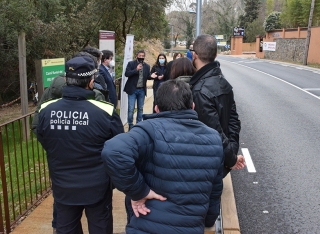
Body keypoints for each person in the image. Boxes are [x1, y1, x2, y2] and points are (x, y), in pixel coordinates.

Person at [102, 79, 224, 234]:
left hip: (145, 224)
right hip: (190, 226)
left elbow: (114, 151)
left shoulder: (148, 130)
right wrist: (208, 220)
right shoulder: (214, 138)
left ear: (156, 109)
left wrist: (140, 191)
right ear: (192, 107)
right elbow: (215, 190)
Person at [36, 55, 124, 234]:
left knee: (66, 229)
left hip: (63, 186)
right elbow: (118, 147)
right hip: (97, 187)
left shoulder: (46, 109)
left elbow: (43, 136)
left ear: (66, 80)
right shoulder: (105, 111)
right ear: (91, 82)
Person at [189, 34, 245, 177]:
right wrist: (232, 151)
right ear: (216, 55)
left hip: (206, 163)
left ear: (194, 55)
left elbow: (213, 131)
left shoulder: (199, 91)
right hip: (219, 160)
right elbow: (234, 121)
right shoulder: (223, 82)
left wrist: (231, 159)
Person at [124, 49, 156, 130]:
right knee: (131, 109)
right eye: (140, 56)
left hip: (142, 90)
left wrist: (151, 76)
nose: (141, 57)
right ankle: (130, 124)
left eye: (143, 56)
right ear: (136, 56)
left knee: (140, 108)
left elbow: (147, 76)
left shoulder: (147, 66)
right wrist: (136, 69)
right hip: (132, 89)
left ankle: (139, 124)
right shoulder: (131, 64)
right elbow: (127, 74)